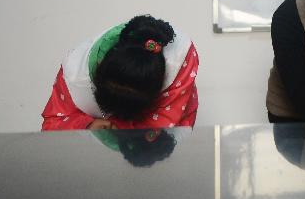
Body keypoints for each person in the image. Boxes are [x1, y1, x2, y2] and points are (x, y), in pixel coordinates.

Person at [41, 15, 199, 130]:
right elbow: (52, 126)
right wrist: (87, 125)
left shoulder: (180, 60)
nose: (121, 119)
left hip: (157, 129)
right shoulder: (74, 72)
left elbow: (162, 131)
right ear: (99, 68)